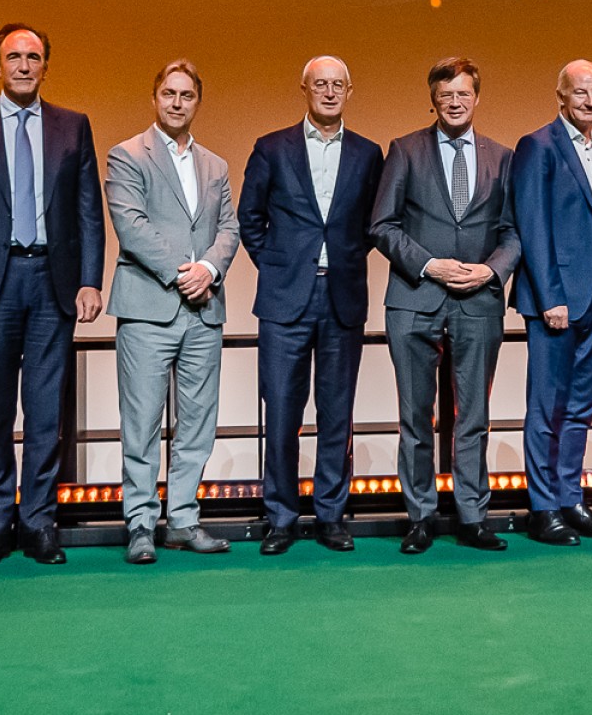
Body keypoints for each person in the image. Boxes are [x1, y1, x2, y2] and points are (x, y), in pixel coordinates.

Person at [0, 23, 105, 568]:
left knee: (45, 412)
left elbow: (88, 210)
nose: (24, 65)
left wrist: (90, 279)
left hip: (53, 281)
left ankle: (38, 522)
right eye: (14, 57)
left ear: (45, 66)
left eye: (33, 57)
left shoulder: (73, 125)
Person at [369, 58, 522, 553]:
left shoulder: (503, 157)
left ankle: (473, 516)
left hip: (478, 300)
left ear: (477, 98)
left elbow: (513, 232)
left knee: (473, 415)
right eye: (445, 95)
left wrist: (491, 271)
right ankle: (420, 516)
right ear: (433, 99)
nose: (455, 102)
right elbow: (382, 225)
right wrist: (430, 265)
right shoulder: (405, 150)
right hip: (415, 299)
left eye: (463, 94)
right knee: (416, 416)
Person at [239, 56, 384, 555]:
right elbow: (250, 217)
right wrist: (278, 265)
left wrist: (343, 259)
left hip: (342, 295)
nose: (329, 92)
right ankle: (280, 516)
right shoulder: (271, 147)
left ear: (350, 91)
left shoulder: (368, 153)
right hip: (285, 299)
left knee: (336, 412)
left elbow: (373, 224)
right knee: (282, 410)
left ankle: (330, 514)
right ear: (304, 88)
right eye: (320, 84)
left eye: (337, 84)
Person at [105, 59, 238, 565]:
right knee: (141, 423)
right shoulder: (127, 155)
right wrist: (185, 272)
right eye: (169, 93)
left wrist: (209, 269)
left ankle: (182, 520)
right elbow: (131, 225)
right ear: (155, 98)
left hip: (203, 310)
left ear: (197, 102)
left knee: (197, 423)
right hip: (148, 307)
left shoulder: (216, 165)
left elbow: (229, 229)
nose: (177, 102)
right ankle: (140, 524)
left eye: (186, 95)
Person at [511, 61, 592, 546]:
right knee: (547, 407)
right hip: (556, 300)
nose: (589, 100)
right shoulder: (538, 146)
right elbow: (532, 225)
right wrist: (550, 297)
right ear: (560, 96)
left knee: (581, 406)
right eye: (580, 92)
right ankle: (543, 508)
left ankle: (570, 498)